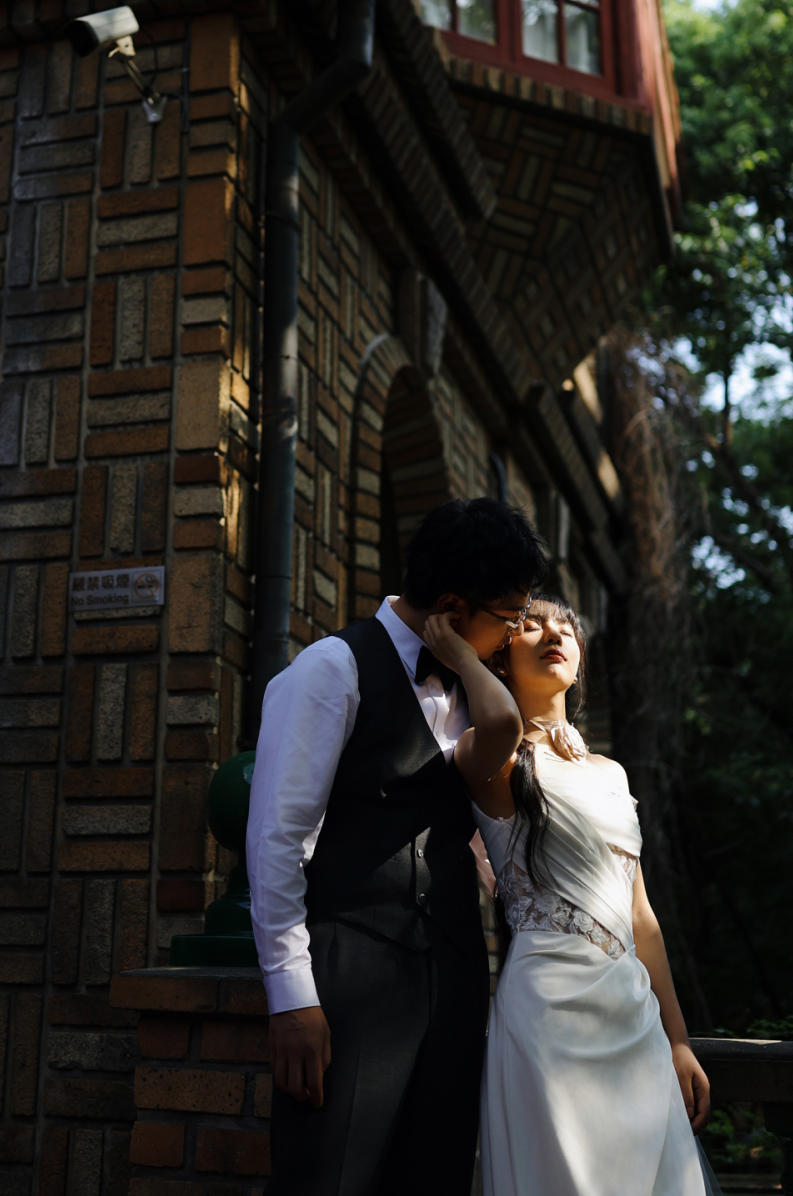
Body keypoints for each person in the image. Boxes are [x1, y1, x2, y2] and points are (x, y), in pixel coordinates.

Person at [246, 496, 550, 1196]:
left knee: (434, 1178)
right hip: (348, 976)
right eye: (505, 617)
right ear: (450, 602)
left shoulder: (479, 689)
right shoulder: (331, 668)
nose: (510, 637)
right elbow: (277, 840)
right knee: (328, 1177)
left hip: (453, 982)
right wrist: (291, 998)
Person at [424, 593, 721, 1196]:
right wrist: (460, 657)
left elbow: (641, 917)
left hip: (632, 1017)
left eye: (566, 628)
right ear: (503, 659)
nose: (552, 634)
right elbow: (501, 724)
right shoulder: (494, 752)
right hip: (548, 1017)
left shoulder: (613, 773)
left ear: (580, 661)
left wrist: (679, 1039)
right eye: (530, 626)